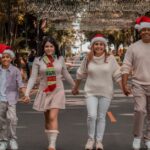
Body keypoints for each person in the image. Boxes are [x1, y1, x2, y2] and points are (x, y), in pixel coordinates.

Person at [23, 36, 75, 150]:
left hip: (57, 90)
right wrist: (27, 93)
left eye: (51, 46)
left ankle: (52, 144)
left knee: (52, 117)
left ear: (55, 48)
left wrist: (74, 86)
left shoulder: (60, 59)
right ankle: (50, 140)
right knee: (47, 118)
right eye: (46, 46)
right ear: (43, 48)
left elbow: (66, 74)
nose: (49, 48)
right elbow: (32, 78)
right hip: (44, 91)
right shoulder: (39, 60)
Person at [72, 34, 122, 150]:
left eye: (101, 44)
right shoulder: (88, 58)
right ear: (92, 46)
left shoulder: (110, 59)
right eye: (96, 44)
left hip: (106, 92)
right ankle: (90, 140)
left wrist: (124, 88)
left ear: (104, 46)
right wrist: (76, 88)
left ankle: (99, 142)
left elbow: (117, 75)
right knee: (92, 115)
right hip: (91, 92)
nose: (99, 46)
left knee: (101, 117)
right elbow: (80, 74)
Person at [121, 16, 150, 150]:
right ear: (139, 31)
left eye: (148, 30)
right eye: (143, 30)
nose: (146, 32)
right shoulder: (133, 47)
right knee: (140, 110)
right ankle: (137, 137)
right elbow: (126, 66)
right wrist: (125, 84)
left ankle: (148, 138)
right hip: (138, 84)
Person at [0, 49, 25, 150]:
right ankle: (3, 141)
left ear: (11, 58)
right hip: (0, 100)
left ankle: (13, 139)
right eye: (3, 57)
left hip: (11, 99)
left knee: (12, 119)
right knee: (1, 122)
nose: (5, 59)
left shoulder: (15, 70)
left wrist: (25, 95)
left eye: (7, 57)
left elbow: (20, 84)